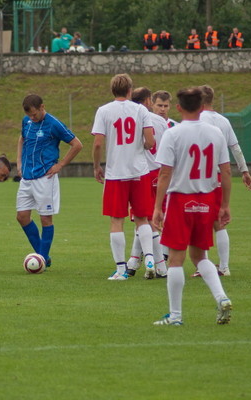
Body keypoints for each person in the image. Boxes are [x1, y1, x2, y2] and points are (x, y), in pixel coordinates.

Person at [152, 87, 232, 326]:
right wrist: (225, 204)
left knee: (175, 260)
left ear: (178, 107)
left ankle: (175, 316)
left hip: (180, 200)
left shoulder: (173, 133)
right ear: (202, 106)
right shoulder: (215, 133)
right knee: (199, 256)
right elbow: (226, 171)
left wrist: (158, 207)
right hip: (206, 200)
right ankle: (222, 297)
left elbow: (165, 173)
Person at [91, 74, 155, 280]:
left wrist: (97, 166)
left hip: (116, 173)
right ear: (130, 90)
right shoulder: (141, 110)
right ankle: (150, 259)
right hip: (139, 172)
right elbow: (150, 141)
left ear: (113, 90)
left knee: (116, 220)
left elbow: (98, 143)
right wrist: (141, 146)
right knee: (142, 218)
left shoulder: (104, 111)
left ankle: (120, 270)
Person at [17, 94, 82, 269]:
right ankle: (42, 255)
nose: (32, 118)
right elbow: (22, 139)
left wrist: (60, 165)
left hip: (45, 178)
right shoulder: (26, 121)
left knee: (45, 219)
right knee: (22, 217)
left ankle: (42, 259)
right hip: (27, 178)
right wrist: (19, 162)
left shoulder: (54, 124)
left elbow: (77, 144)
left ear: (42, 107)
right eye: (29, 115)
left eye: (34, 114)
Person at [195, 84, 251, 277]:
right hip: (219, 176)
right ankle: (224, 267)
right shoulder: (223, 121)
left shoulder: (197, 120)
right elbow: (235, 148)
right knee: (218, 221)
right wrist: (244, 171)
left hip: (200, 176)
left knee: (200, 221)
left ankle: (202, 267)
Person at [127, 87, 169, 278]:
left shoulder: (132, 119)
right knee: (147, 220)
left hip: (140, 173)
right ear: (148, 101)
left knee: (143, 220)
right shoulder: (161, 122)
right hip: (159, 173)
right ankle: (135, 261)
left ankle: (157, 264)